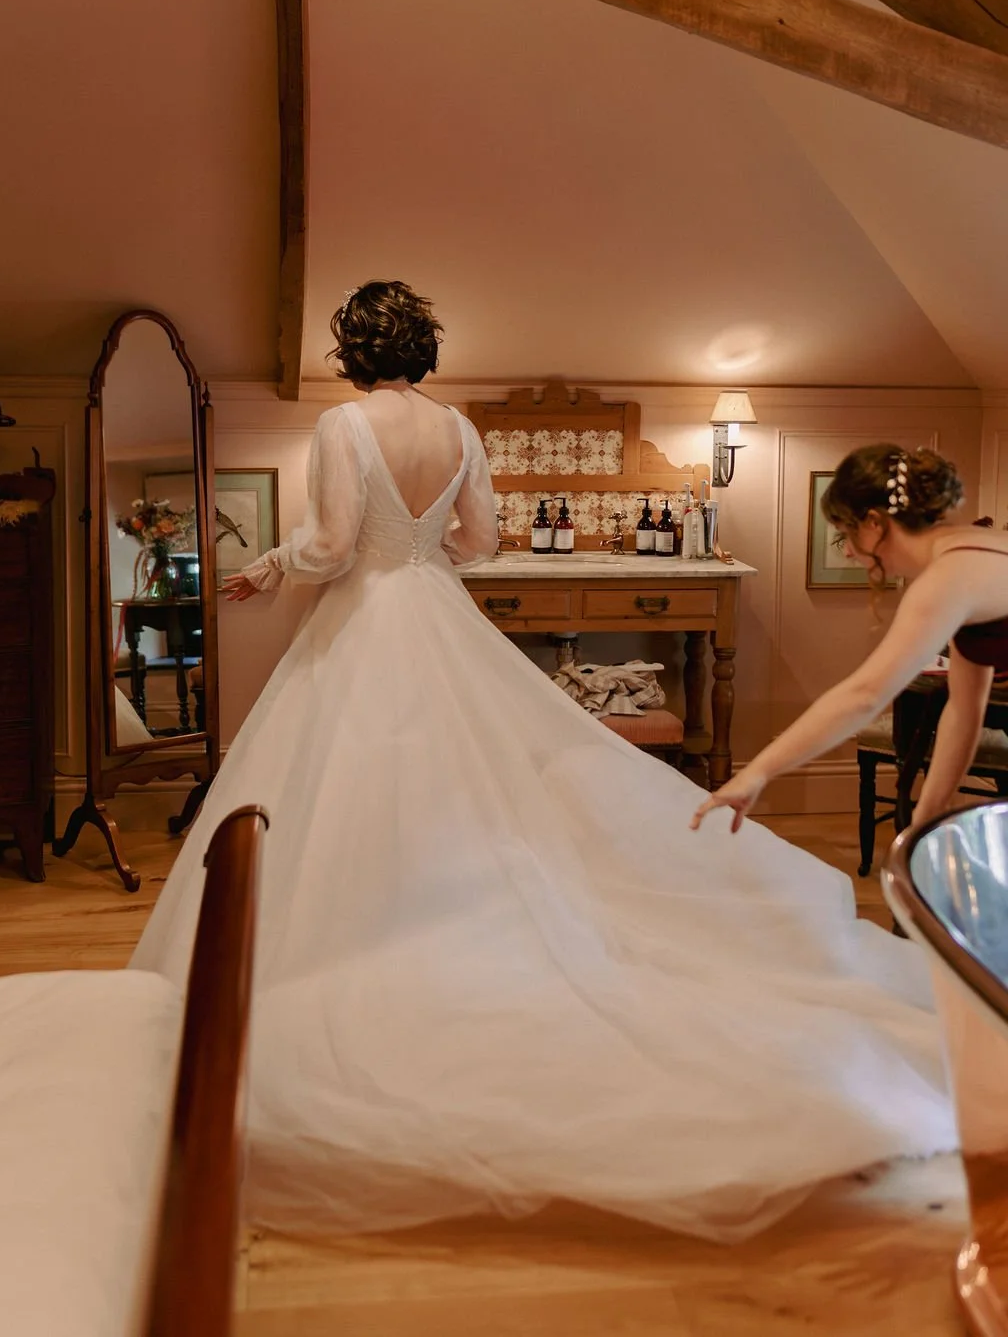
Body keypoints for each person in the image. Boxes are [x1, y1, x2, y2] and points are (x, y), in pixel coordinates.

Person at [132, 285, 955, 1244]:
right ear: (423, 349)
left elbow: (329, 543)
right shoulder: (459, 432)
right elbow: (480, 544)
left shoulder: (344, 425)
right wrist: (422, 548)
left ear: (351, 351)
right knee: (481, 800)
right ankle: (460, 936)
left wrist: (270, 566)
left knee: (342, 791)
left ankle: (375, 942)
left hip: (363, 626)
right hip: (437, 612)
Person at [691, 445, 1008, 834]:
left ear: (874, 523)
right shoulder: (969, 552)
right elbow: (963, 710)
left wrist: (755, 773)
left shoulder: (945, 579)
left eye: (847, 534)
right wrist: (925, 824)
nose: (854, 554)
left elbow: (864, 697)